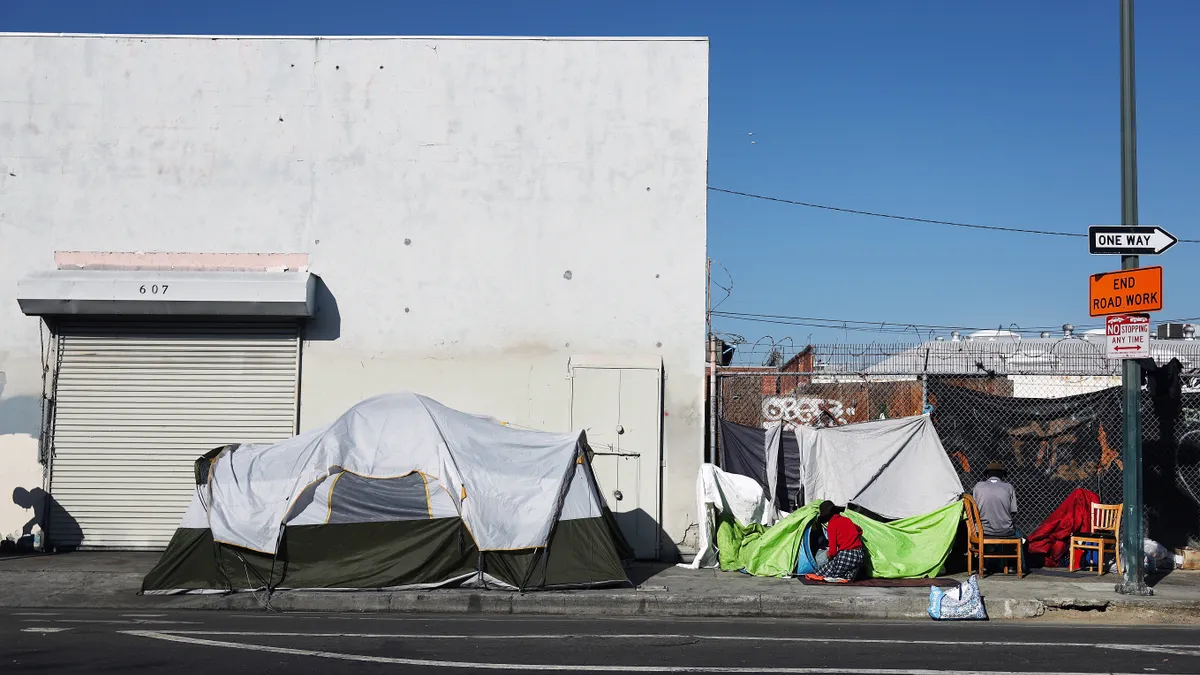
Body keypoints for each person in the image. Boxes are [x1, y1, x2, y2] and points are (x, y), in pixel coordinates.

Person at [804, 500, 865, 583]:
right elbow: (860, 530)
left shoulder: (832, 525)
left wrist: (828, 557)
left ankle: (846, 574)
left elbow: (833, 551)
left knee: (821, 572)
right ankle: (850, 573)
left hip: (846, 556)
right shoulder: (847, 520)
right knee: (839, 568)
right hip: (860, 555)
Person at [972, 461, 1019, 538]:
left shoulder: (978, 486)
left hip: (983, 531)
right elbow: (1013, 511)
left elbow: (974, 509)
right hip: (1005, 530)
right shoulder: (1009, 487)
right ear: (1002, 475)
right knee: (1019, 535)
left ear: (987, 475)